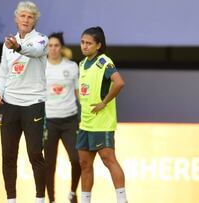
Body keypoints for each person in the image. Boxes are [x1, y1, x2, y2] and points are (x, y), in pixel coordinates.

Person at [0, 1, 48, 203]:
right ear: (16, 18)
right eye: (22, 16)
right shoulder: (8, 43)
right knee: (8, 155)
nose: (25, 19)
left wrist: (19, 47)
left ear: (35, 21)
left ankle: (40, 198)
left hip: (33, 103)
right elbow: (3, 73)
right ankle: (11, 199)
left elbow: (34, 51)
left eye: (30, 17)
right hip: (10, 104)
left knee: (34, 154)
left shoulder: (41, 40)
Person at [76, 26, 128, 203]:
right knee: (84, 164)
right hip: (85, 123)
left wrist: (104, 102)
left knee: (108, 160)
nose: (84, 46)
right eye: (82, 42)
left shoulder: (104, 62)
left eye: (89, 43)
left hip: (102, 122)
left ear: (98, 45)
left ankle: (122, 199)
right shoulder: (82, 64)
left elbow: (119, 83)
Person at [44, 32, 81, 203]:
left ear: (62, 47)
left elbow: (79, 93)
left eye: (56, 45)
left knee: (77, 159)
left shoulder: (72, 67)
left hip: (69, 119)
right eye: (50, 45)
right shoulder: (41, 67)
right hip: (49, 120)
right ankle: (51, 200)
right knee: (49, 164)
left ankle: (73, 193)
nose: (53, 49)